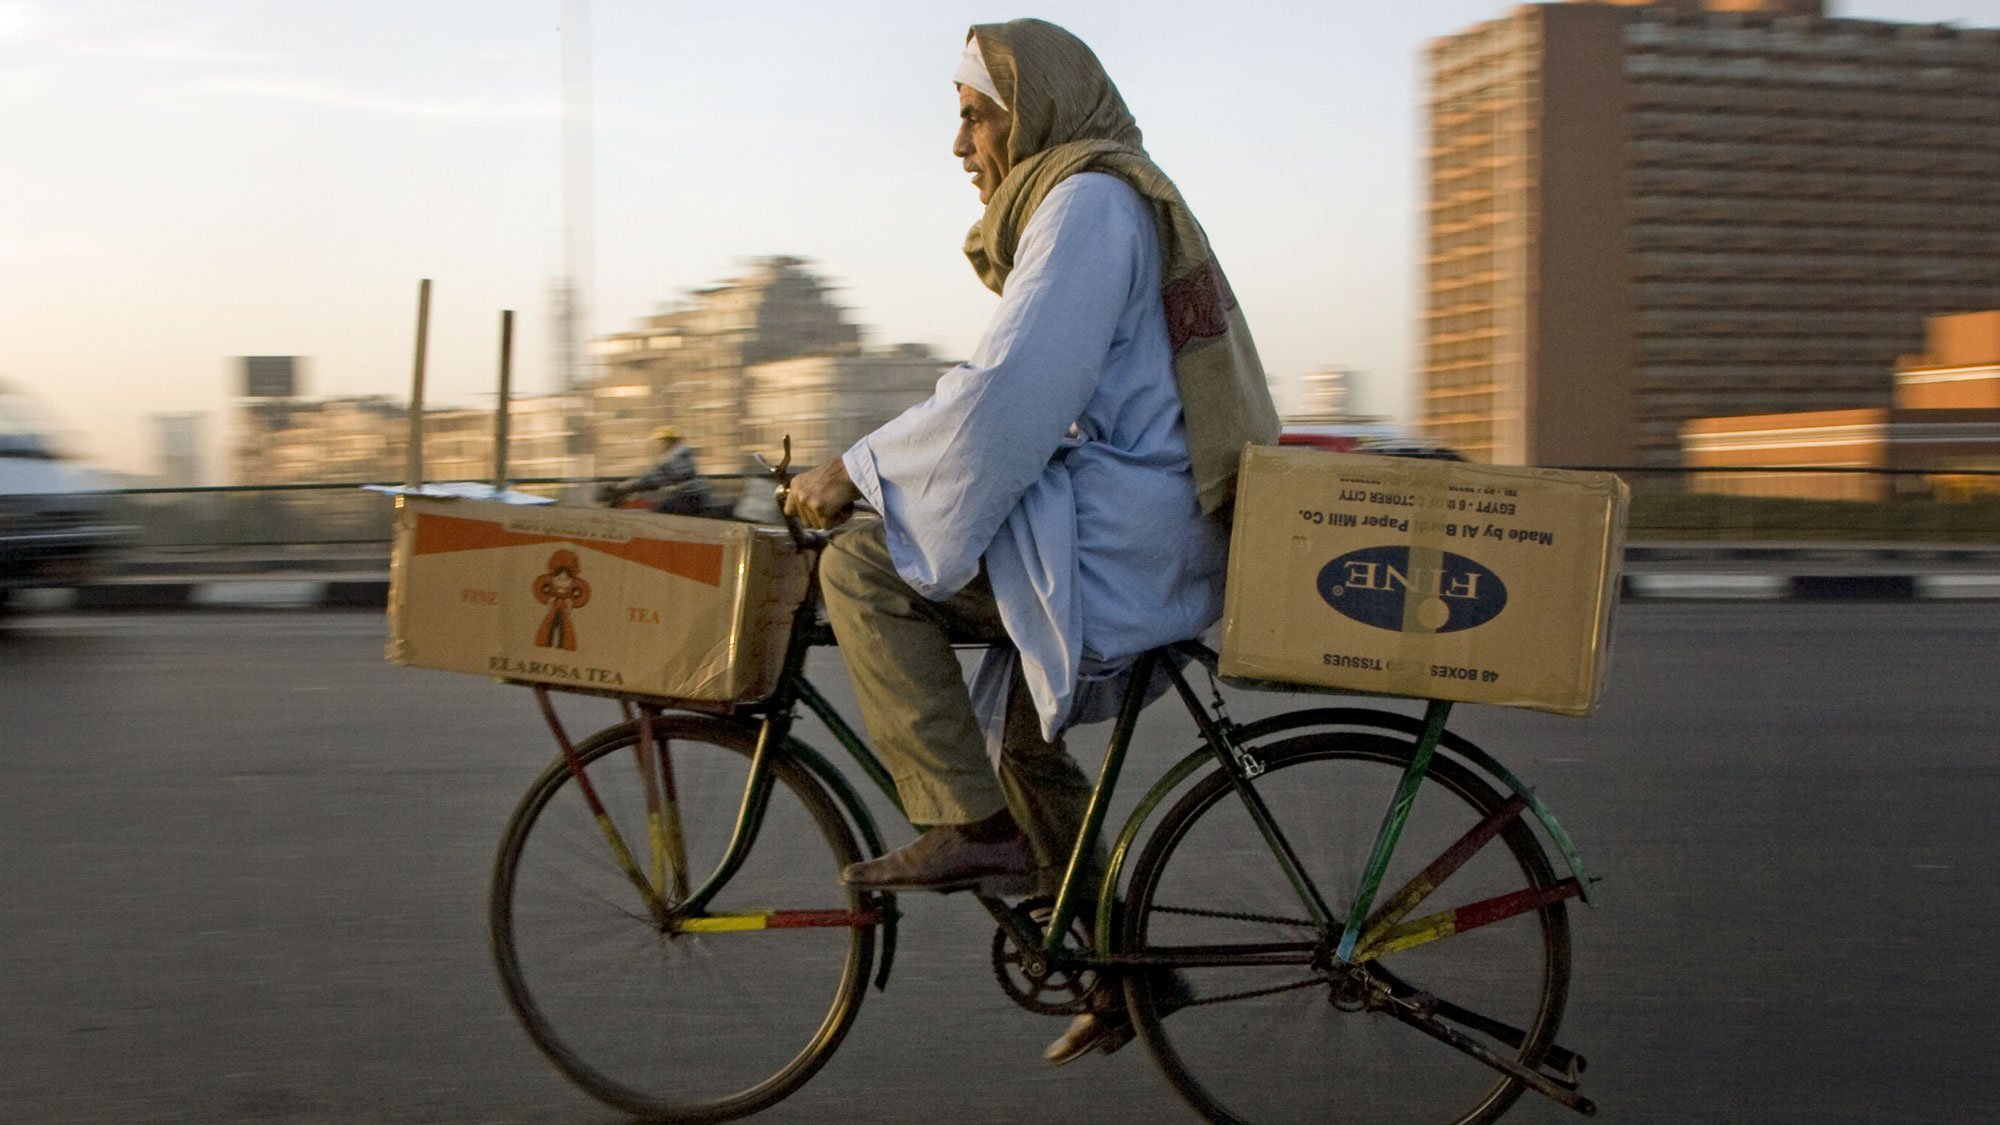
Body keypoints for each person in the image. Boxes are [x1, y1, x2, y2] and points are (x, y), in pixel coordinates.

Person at [782, 18, 1277, 1064]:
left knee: (866, 568)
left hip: (1128, 534)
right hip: (1127, 519)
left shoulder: (1087, 203)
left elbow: (1008, 395)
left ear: (1033, 109)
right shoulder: (1098, 197)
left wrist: (856, 475)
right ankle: (1119, 967)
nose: (959, 147)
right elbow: (1015, 403)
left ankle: (968, 829)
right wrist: (897, 473)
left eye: (974, 117)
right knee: (1017, 734)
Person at [600, 427, 718, 515]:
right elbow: (657, 475)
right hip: (687, 497)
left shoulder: (678, 457)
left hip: (691, 498)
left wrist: (627, 486)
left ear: (670, 441)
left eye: (662, 441)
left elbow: (658, 477)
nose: (660, 445)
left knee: (655, 513)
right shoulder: (678, 456)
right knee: (653, 506)